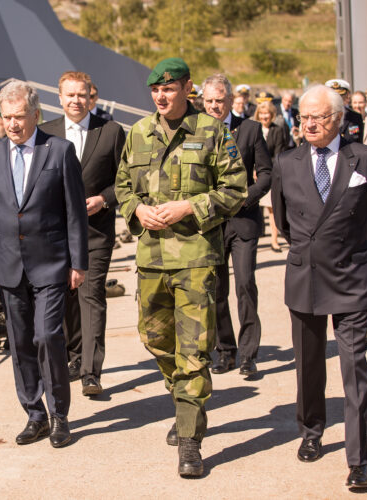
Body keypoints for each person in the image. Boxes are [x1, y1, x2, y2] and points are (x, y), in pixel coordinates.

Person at [115, 58, 246, 477]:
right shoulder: (138, 133)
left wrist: (190, 205)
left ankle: (190, 439)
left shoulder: (211, 131)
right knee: (155, 341)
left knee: (193, 351)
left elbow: (236, 189)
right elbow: (121, 186)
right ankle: (183, 402)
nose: (161, 95)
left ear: (187, 88)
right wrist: (137, 210)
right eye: (156, 89)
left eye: (169, 88)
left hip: (195, 260)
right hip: (151, 260)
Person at [271, 84, 367, 490]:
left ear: (338, 119)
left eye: (318, 117)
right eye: (304, 117)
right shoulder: (287, 162)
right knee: (307, 363)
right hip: (304, 276)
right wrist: (312, 251)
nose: (309, 124)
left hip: (352, 276)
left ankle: (359, 460)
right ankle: (311, 430)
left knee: (353, 367)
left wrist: (353, 252)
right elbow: (285, 223)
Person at [0, 80, 88, 448]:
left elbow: (74, 212)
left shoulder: (60, 151)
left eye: (19, 117)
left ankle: (60, 415)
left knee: (47, 335)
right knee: (20, 342)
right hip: (8, 265)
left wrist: (78, 261)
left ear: (36, 114)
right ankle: (35, 414)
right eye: (7, 118)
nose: (13, 125)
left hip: (51, 263)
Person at [40, 71, 125, 396]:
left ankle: (91, 372)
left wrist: (104, 199)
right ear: (60, 98)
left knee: (91, 296)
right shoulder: (45, 133)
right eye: (70, 95)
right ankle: (73, 359)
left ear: (92, 97)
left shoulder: (111, 131)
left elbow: (127, 179)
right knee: (63, 299)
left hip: (95, 230)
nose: (76, 100)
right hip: (54, 234)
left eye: (82, 95)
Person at [201, 74, 272, 377]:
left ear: (230, 100)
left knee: (245, 285)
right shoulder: (194, 131)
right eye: (209, 101)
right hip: (211, 223)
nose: (214, 106)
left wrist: (246, 198)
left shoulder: (250, 129)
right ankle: (225, 351)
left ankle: (249, 353)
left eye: (219, 100)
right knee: (216, 289)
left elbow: (267, 174)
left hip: (243, 221)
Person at [254, 100, 287, 252]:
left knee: (272, 209)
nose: (264, 116)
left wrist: (265, 170)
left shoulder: (277, 130)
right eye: (261, 113)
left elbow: (279, 154)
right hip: (253, 177)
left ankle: (274, 240)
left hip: (270, 174)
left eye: (267, 113)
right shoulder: (253, 129)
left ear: (272, 114)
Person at [326, 79, 364, 144]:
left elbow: (359, 143)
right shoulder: (321, 116)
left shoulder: (355, 117)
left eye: (341, 96)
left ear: (347, 96)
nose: (337, 99)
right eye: (334, 96)